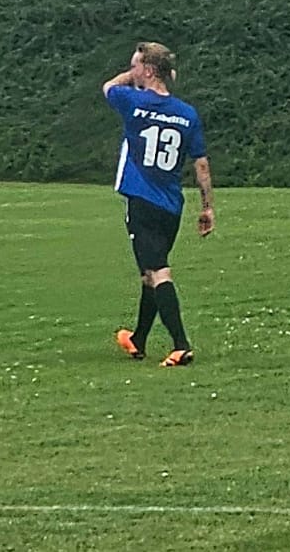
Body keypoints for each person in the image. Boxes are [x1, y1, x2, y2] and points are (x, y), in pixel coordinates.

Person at [103, 42, 213, 367]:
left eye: (137, 65)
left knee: (159, 272)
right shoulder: (187, 113)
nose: (133, 70)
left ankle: (181, 344)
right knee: (148, 273)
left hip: (142, 202)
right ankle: (137, 338)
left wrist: (130, 76)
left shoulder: (132, 101)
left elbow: (109, 87)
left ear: (148, 71)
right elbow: (201, 164)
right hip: (171, 206)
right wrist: (207, 207)